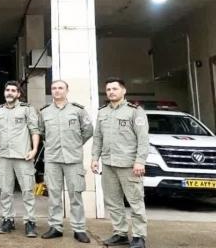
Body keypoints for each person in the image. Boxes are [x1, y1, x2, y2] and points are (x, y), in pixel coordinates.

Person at [92, 77, 149, 248]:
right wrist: (95, 158)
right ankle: (120, 233)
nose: (111, 92)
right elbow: (98, 137)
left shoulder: (134, 111)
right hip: (108, 164)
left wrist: (140, 161)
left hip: (129, 165)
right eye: (108, 89)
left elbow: (143, 139)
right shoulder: (102, 112)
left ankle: (139, 236)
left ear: (124, 91)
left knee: (135, 201)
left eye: (115, 89)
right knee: (113, 201)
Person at [39, 80, 93, 243]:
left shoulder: (78, 110)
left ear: (67, 90)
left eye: (60, 88)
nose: (57, 91)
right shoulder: (45, 112)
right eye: (54, 88)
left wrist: (75, 144)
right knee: (54, 195)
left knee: (75, 195)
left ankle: (79, 229)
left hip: (73, 159)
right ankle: (55, 227)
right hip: (52, 159)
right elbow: (41, 132)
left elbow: (88, 130)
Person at [0, 80, 40, 237]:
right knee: (5, 190)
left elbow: (34, 130)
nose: (9, 93)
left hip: (23, 155)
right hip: (4, 156)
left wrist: (34, 150)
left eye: (13, 90)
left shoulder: (27, 109)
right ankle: (7, 219)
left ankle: (30, 222)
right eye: (7, 90)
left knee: (27, 190)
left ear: (18, 94)